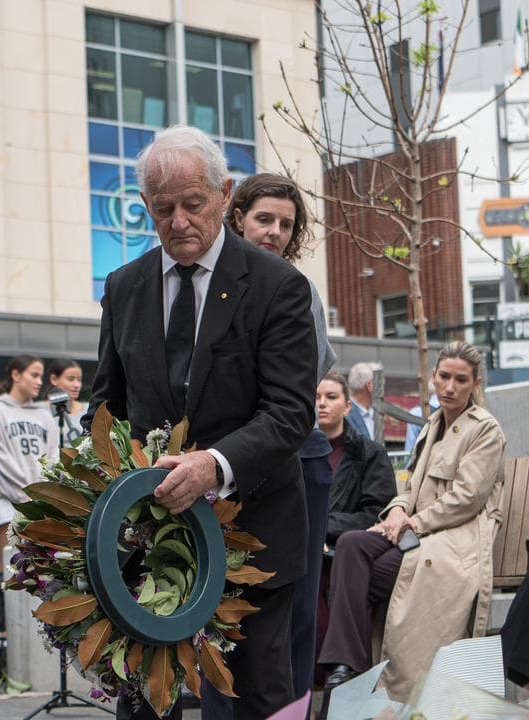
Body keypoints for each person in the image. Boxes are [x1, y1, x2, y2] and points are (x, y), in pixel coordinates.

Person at [86, 125, 318, 720]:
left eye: (193, 204)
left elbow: (290, 412)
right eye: (163, 209)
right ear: (146, 207)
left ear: (225, 196)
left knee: (254, 696)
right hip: (148, 534)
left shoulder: (278, 287)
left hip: (256, 528)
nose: (179, 221)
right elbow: (105, 409)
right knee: (144, 698)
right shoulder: (124, 287)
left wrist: (214, 465)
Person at [319, 341, 506, 702]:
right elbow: (410, 486)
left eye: (461, 379)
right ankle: (344, 666)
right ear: (434, 378)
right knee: (350, 543)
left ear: (475, 383)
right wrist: (398, 512)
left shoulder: (485, 430)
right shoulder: (431, 426)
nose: (451, 387)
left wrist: (412, 523)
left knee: (355, 578)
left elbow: (466, 499)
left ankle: (350, 675)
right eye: (445, 377)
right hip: (415, 532)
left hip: (452, 540)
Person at [225, 172, 337, 706]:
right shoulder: (209, 283)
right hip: (221, 468)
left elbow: (306, 379)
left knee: (290, 613)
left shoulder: (298, 291)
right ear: (238, 217)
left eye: (286, 225)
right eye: (263, 219)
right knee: (217, 614)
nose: (274, 232)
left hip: (299, 458)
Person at [0, 355, 57, 573]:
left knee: (43, 575)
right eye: (33, 375)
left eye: (41, 376)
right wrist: (26, 496)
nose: (39, 381)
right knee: (12, 572)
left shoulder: (45, 416)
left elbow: (53, 459)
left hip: (41, 505)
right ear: (15, 375)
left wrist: (43, 497)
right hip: (6, 504)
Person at [317, 370, 397, 548]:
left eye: (331, 397)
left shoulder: (371, 454)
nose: (322, 403)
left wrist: (321, 526)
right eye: (316, 397)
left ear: (347, 407)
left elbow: (377, 513)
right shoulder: (294, 452)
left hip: (344, 551)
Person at [40, 358, 86, 447]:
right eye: (71, 379)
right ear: (54, 379)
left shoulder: (89, 410)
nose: (77, 385)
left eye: (79, 380)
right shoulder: (38, 410)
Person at [346, 361, 382, 440]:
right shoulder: (344, 414)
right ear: (370, 386)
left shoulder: (377, 413)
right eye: (380, 383)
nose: (382, 388)